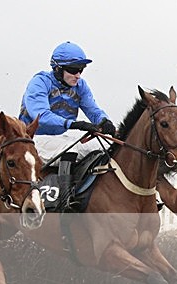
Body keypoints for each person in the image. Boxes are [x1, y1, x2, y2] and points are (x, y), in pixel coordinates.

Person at [19, 41, 115, 209]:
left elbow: (93, 110)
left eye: (81, 70)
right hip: (33, 139)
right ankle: (65, 202)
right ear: (57, 68)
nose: (78, 75)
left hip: (63, 137)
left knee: (107, 146)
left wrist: (104, 121)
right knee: (71, 150)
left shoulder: (81, 86)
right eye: (73, 70)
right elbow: (41, 117)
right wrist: (75, 124)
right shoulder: (40, 82)